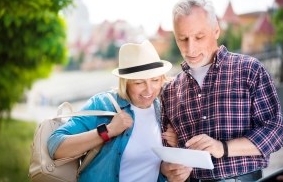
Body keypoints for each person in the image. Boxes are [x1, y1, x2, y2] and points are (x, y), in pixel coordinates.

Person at [160, 0, 283, 181]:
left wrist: (222, 148)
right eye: (182, 39)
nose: (190, 48)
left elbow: (275, 132)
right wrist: (168, 169)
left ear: (216, 30)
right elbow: (167, 151)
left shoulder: (250, 70)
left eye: (199, 37)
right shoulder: (169, 91)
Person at [47, 40, 192, 182]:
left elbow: (150, 166)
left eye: (155, 80)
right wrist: (107, 131)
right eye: (139, 82)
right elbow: (56, 147)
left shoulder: (164, 112)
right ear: (125, 82)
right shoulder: (102, 105)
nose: (149, 89)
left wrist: (168, 166)